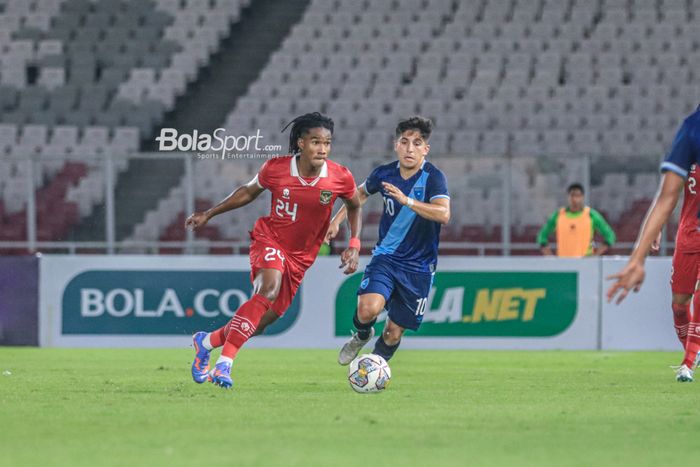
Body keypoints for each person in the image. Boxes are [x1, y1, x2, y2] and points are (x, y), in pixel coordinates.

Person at [185, 112, 362, 389]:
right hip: (270, 239)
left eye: (327, 143)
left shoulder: (339, 176)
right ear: (301, 143)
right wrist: (209, 213)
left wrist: (354, 244)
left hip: (301, 257)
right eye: (316, 142)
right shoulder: (276, 168)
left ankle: (205, 342)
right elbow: (247, 192)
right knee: (267, 289)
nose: (323, 149)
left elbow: (354, 205)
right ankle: (224, 364)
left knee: (263, 322)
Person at [325, 116, 450, 366]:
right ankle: (362, 335)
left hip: (419, 267)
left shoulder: (434, 177)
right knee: (367, 310)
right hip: (386, 258)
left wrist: (408, 201)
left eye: (417, 143)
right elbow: (358, 195)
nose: (410, 148)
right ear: (396, 145)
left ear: (426, 149)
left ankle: (371, 368)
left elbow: (443, 214)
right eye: (405, 142)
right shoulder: (384, 174)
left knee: (393, 333)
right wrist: (337, 220)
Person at [607, 106, 700, 382]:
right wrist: (640, 254)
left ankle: (688, 363)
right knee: (679, 303)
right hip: (689, 234)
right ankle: (694, 351)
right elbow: (666, 197)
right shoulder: (692, 131)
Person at [537, 183, 616, 257]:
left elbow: (610, 236)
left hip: (585, 263)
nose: (575, 199)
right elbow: (542, 236)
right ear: (568, 197)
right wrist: (550, 257)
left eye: (578, 196)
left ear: (582, 197)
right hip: (563, 263)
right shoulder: (558, 215)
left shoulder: (591, 215)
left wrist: (596, 255)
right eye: (572, 195)